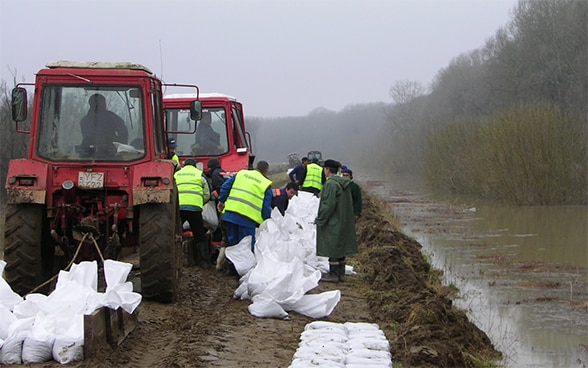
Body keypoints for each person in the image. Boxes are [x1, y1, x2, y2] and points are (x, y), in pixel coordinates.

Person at [314, 159, 358, 283]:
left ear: (327, 170)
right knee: (341, 246)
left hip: (334, 220)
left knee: (332, 245)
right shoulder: (345, 183)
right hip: (344, 220)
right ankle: (341, 274)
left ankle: (333, 274)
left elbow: (328, 205)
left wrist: (320, 219)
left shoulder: (331, 184)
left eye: (324, 169)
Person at [217, 161, 272, 253]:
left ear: (255, 167)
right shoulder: (266, 184)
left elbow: (225, 187)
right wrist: (266, 222)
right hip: (248, 219)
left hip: (230, 214)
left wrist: (221, 201)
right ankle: (245, 267)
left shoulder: (241, 174)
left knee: (232, 244)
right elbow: (266, 207)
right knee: (246, 247)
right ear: (266, 171)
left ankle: (232, 266)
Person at [174, 158, 211, 268]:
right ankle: (205, 263)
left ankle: (175, 260)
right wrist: (199, 202)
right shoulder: (200, 174)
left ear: (184, 165)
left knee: (175, 233)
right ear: (195, 165)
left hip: (179, 208)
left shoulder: (177, 174)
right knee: (200, 235)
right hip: (195, 209)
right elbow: (207, 194)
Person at [206, 158, 230, 271]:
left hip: (221, 205)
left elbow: (221, 188)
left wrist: (215, 196)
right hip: (228, 206)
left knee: (217, 229)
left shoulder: (215, 174)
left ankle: (215, 256)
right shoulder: (222, 172)